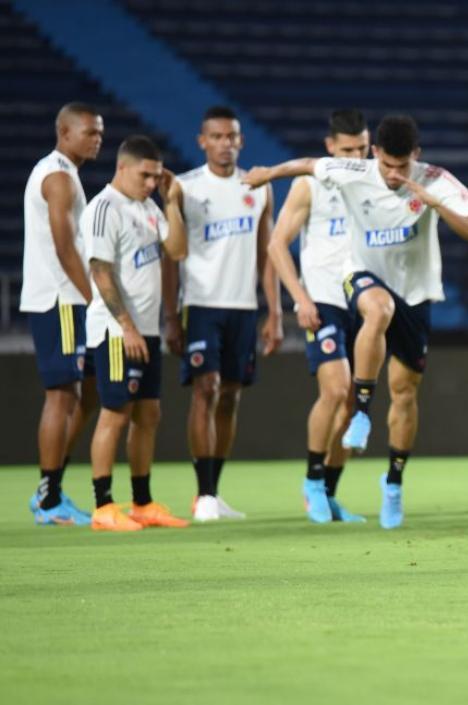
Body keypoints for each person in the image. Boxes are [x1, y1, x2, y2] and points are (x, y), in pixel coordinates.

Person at [244, 114, 468, 530]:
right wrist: (266, 173)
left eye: (401, 166)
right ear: (375, 155)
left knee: (404, 393)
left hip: (414, 292)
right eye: (386, 164)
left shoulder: (435, 180)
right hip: (352, 282)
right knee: (370, 324)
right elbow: (306, 166)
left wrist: (435, 204)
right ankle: (352, 426)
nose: (393, 174)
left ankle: (390, 483)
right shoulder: (350, 173)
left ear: (415, 156)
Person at [165, 105, 283, 521]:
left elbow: (268, 253)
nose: (225, 144)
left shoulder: (258, 187)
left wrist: (275, 312)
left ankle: (214, 492)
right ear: (202, 142)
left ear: (241, 141)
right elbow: (171, 255)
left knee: (231, 396)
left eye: (231, 136)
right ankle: (203, 494)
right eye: (216, 137)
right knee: (206, 388)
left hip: (243, 307)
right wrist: (170, 315)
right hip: (200, 305)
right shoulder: (184, 187)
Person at [267, 109, 371, 524]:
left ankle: (328, 491)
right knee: (336, 390)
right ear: (330, 147)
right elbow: (277, 244)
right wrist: (300, 299)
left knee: (353, 404)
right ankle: (312, 481)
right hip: (323, 300)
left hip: (363, 300)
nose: (356, 158)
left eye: (362, 149)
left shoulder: (375, 182)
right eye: (347, 150)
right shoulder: (309, 184)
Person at [81, 135, 189, 530]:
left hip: (146, 330)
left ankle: (142, 502)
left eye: (156, 177)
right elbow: (100, 271)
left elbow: (177, 250)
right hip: (116, 331)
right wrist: (126, 327)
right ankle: (103, 506)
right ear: (122, 167)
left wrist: (171, 201)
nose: (151, 183)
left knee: (149, 413)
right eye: (145, 176)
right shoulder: (104, 208)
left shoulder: (148, 207)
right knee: (116, 412)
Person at [21, 102, 103, 526]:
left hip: (65, 299)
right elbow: (64, 247)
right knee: (63, 395)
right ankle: (49, 498)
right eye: (89, 132)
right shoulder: (58, 177)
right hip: (62, 300)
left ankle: (51, 488)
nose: (97, 139)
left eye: (100, 132)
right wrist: (93, 299)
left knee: (86, 393)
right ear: (64, 132)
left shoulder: (63, 173)